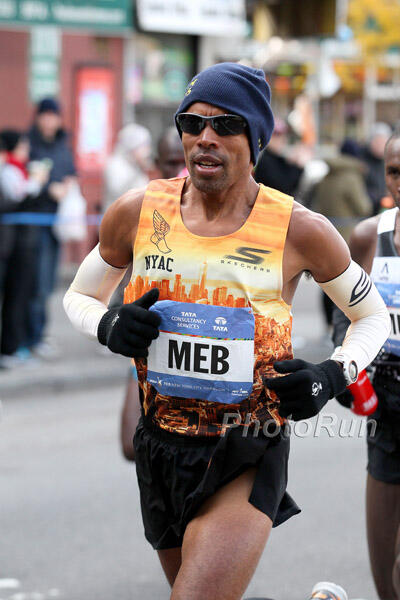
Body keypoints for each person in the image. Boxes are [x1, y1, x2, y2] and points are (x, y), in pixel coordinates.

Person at [64, 63, 390, 600]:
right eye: (191, 124)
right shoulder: (137, 213)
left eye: (226, 125)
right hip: (162, 443)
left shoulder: (299, 228)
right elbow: (79, 296)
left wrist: (332, 375)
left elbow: (372, 316)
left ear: (255, 139)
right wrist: (108, 324)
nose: (205, 137)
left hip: (247, 444)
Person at [333, 129, 400, 600]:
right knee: (384, 575)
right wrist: (348, 362)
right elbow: (344, 311)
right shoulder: (368, 236)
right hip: (387, 404)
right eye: (395, 171)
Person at [120, 126, 186, 461]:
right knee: (132, 445)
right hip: (152, 346)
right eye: (171, 163)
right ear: (157, 166)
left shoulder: (218, 209)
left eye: (184, 162)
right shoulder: (140, 209)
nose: (179, 171)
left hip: (205, 351)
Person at [26, 97, 77, 358]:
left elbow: (71, 173)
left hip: (58, 224)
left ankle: (40, 334)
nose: (49, 120)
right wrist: (48, 188)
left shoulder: (62, 145)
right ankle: (31, 336)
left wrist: (67, 185)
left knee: (47, 282)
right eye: (45, 115)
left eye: (53, 115)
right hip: (33, 223)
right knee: (33, 282)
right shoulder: (29, 144)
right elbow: (27, 180)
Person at [0, 130, 49, 366]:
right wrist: (36, 182)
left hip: (20, 244)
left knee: (21, 295)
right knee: (14, 297)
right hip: (12, 245)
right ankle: (9, 349)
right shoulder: (9, 171)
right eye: (23, 146)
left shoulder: (16, 169)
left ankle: (16, 346)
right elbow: (18, 195)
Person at [311, 138, 372, 327]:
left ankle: (329, 324)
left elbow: (316, 205)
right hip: (347, 236)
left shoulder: (327, 175)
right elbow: (364, 207)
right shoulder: (352, 177)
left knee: (327, 283)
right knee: (347, 283)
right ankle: (343, 325)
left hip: (325, 236)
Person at [103, 123, 152, 213]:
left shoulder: (137, 166)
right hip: (117, 217)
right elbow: (118, 192)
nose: (146, 151)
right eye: (143, 146)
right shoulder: (115, 164)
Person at [254, 117, 304, 196]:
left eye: (283, 135)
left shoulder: (276, 158)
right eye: (277, 136)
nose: (282, 140)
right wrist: (298, 166)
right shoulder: (266, 162)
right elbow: (284, 188)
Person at [362, 122, 392, 215]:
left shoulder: (390, 161)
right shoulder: (362, 162)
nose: (380, 145)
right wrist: (379, 199)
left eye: (383, 141)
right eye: (377, 141)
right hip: (368, 211)